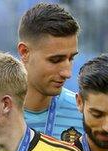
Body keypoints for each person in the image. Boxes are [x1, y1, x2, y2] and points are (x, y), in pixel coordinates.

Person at [18, 2, 82, 142]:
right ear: (25, 52)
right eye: (56, 60)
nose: (67, 73)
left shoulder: (84, 114)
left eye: (71, 58)